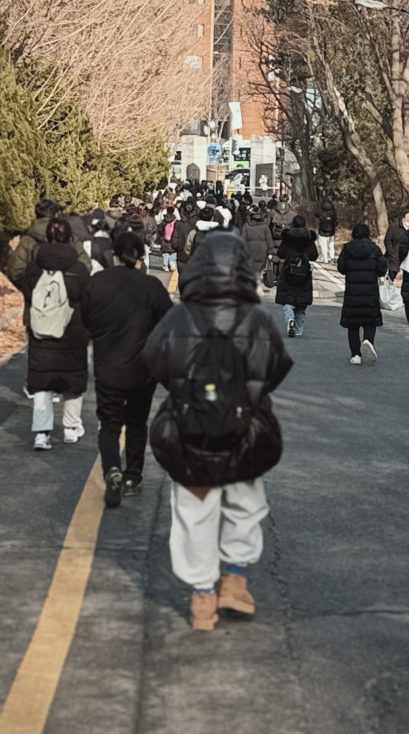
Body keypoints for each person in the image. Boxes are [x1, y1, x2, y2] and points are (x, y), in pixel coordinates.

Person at [141, 232, 293, 631]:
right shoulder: (257, 319)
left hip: (189, 437)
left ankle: (202, 599)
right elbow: (275, 367)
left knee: (193, 514)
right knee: (245, 505)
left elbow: (155, 361)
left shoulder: (177, 317)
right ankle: (235, 581)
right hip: (247, 434)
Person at [81, 232, 173, 507]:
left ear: (115, 254)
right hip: (143, 369)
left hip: (107, 366)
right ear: (141, 256)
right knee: (136, 424)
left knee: (109, 424)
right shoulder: (151, 286)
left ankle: (112, 470)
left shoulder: (97, 283)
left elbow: (85, 320)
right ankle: (133, 476)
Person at [20, 217, 91, 451]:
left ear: (46, 238)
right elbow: (87, 298)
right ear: (70, 238)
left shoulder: (34, 268)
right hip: (72, 329)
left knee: (42, 381)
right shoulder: (79, 269)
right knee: (73, 380)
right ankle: (71, 428)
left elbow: (26, 290)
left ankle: (42, 433)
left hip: (41, 331)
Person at [6, 197, 91, 289]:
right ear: (56, 214)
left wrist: (32, 292)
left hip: (36, 298)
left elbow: (14, 271)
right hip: (67, 297)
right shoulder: (68, 237)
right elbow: (86, 266)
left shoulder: (27, 240)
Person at [336, 223, 387, 364]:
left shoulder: (347, 249)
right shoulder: (375, 250)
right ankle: (368, 341)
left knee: (353, 325)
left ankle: (356, 355)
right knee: (370, 322)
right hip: (370, 291)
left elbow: (341, 267)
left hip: (352, 292)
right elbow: (382, 269)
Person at [275, 216, 318, 337]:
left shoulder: (287, 237)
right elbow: (314, 255)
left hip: (289, 270)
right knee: (302, 301)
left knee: (287, 299)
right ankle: (299, 329)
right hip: (304, 272)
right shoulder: (309, 238)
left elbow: (281, 254)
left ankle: (290, 319)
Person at [240, 204, 273, 287]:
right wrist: (270, 252)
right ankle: (257, 280)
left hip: (250, 249)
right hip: (262, 249)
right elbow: (269, 239)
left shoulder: (246, 226)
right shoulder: (265, 226)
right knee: (260, 266)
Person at [383, 209, 409, 282]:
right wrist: (391, 253)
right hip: (395, 255)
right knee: (391, 276)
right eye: (407, 219)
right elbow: (387, 240)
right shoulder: (394, 227)